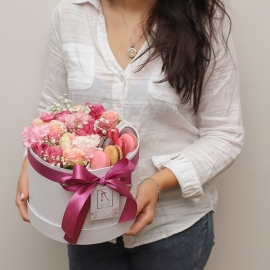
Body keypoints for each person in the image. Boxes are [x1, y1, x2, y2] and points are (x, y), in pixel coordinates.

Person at [15, 0, 244, 269]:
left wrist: (157, 183)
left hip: (174, 228)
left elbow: (225, 134)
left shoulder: (205, 19)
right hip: (86, 221)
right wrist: (31, 164)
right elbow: (52, 108)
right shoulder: (69, 15)